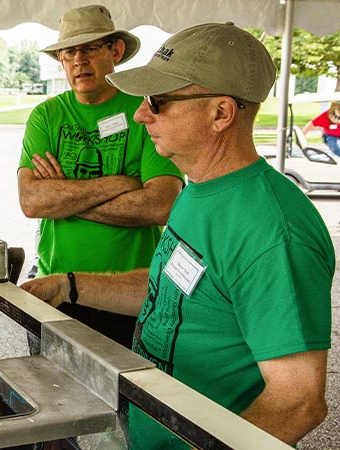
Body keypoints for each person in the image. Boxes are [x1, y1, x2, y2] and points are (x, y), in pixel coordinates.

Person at [22, 22, 332, 448]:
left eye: (158, 100)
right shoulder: (199, 190)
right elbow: (173, 291)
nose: (140, 113)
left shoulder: (274, 231)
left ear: (221, 113)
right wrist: (69, 285)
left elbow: (298, 402)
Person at [17, 4, 183, 347]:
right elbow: (32, 201)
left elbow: (161, 204)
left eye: (90, 48)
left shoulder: (146, 112)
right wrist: (118, 183)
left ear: (115, 51)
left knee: (126, 398)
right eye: (69, 52)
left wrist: (63, 196)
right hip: (56, 289)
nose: (79, 60)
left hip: (128, 294)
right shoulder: (46, 116)